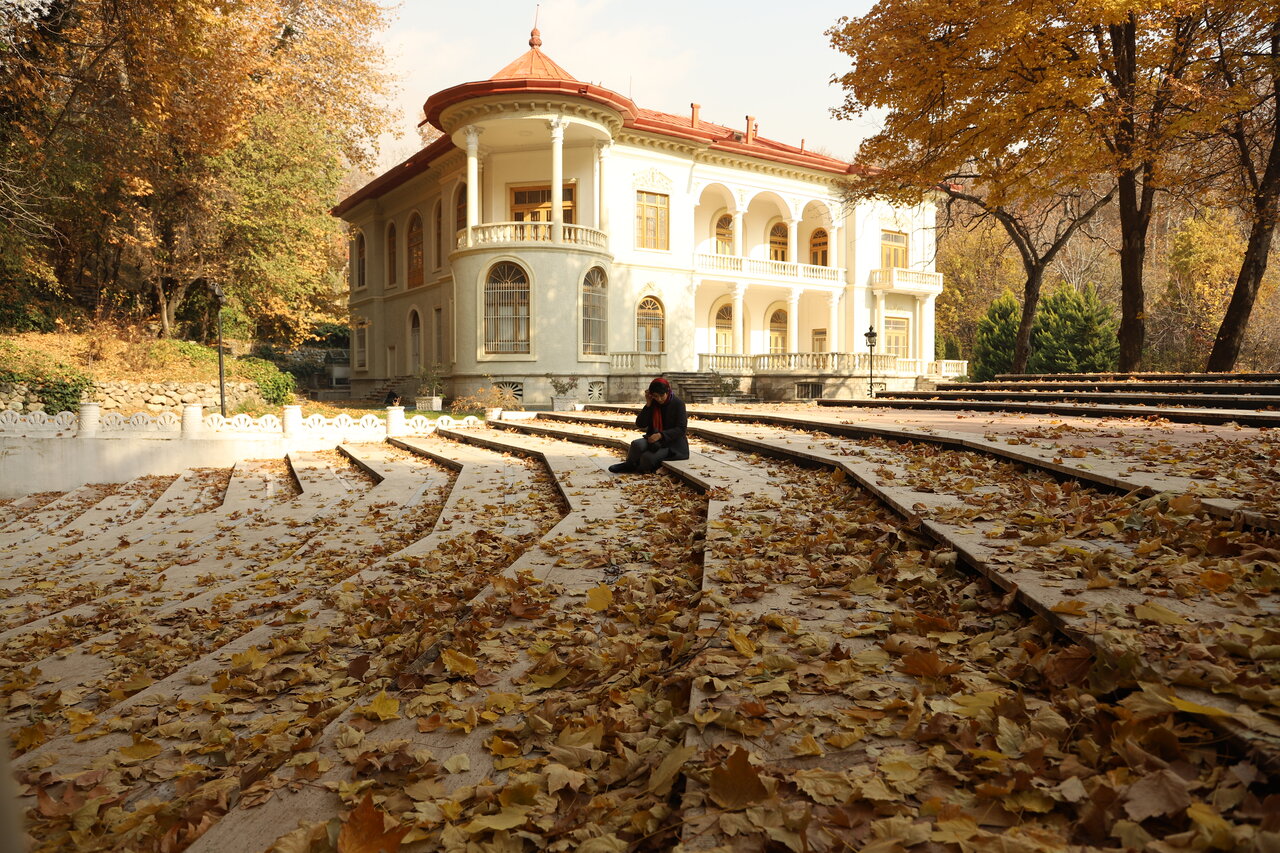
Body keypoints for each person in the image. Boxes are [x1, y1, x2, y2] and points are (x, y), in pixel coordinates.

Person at [609, 377, 689, 474]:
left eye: (661, 395)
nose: (659, 399)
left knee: (647, 458)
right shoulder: (653, 403)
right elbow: (640, 424)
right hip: (654, 440)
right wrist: (648, 404)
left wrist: (661, 435)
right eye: (655, 396)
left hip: (673, 444)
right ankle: (629, 465)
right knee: (636, 445)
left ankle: (640, 467)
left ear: (667, 392)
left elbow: (681, 429)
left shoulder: (678, 404)